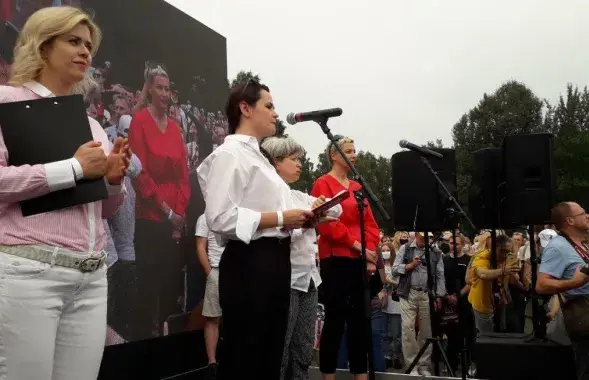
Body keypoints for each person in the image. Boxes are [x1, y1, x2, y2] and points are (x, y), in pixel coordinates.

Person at [0, 6, 130, 380]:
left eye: (88, 45)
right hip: (28, 273)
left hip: (90, 278)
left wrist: (114, 181)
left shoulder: (92, 124)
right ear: (42, 46)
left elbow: (105, 210)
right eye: (73, 41)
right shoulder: (7, 102)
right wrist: (72, 169)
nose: (85, 52)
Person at [197, 79, 314, 380]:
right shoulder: (230, 154)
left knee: (269, 355)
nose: (276, 113)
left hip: (274, 261)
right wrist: (281, 218)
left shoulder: (258, 159)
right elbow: (220, 217)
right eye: (269, 106)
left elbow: (277, 215)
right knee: (247, 356)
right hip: (250, 263)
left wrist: (302, 219)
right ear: (245, 108)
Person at [261, 135, 342, 380]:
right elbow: (268, 233)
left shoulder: (297, 195)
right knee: (281, 346)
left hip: (308, 279)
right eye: (294, 159)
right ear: (276, 162)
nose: (299, 164)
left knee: (304, 346)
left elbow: (337, 208)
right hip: (284, 279)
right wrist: (301, 222)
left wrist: (320, 205)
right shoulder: (266, 198)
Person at [128, 65, 190, 340]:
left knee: (169, 291)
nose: (165, 93)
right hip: (149, 220)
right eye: (160, 88)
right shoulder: (139, 121)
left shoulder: (176, 129)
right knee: (147, 292)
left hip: (173, 222)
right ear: (149, 89)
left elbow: (183, 177)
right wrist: (167, 213)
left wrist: (178, 214)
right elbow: (139, 173)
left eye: (168, 88)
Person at [311, 135, 380, 380]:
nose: (354, 155)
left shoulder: (358, 187)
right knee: (335, 322)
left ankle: (360, 375)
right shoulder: (323, 183)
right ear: (334, 155)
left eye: (354, 150)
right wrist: (359, 246)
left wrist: (370, 255)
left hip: (359, 262)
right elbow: (326, 224)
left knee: (360, 323)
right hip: (336, 259)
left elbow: (371, 224)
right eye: (348, 151)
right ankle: (328, 375)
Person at [537, 202, 589, 380]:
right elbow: (541, 285)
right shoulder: (557, 247)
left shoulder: (581, 243)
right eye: (583, 213)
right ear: (570, 221)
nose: (587, 215)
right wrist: (573, 283)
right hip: (583, 317)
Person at [195, 213, 224, 378]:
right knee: (212, 317)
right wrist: (210, 272)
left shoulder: (236, 213)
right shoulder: (205, 217)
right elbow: (200, 247)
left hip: (238, 270)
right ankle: (211, 362)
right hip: (216, 269)